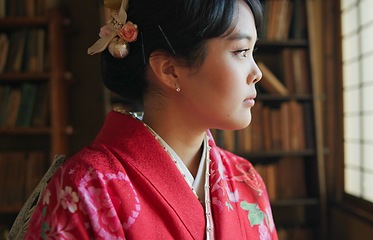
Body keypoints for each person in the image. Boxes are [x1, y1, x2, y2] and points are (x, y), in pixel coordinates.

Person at [16, 0, 278, 239]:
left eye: (252, 51)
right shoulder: (85, 187)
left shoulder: (246, 179)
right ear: (169, 70)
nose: (257, 73)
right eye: (241, 51)